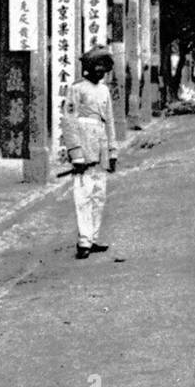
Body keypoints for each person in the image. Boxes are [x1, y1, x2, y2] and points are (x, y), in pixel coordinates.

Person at [62, 49, 117, 260]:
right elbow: (69, 122)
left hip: (101, 149)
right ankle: (83, 241)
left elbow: (109, 121)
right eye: (97, 67)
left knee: (98, 195)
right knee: (83, 196)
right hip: (83, 150)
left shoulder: (104, 91)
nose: (101, 71)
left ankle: (93, 237)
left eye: (104, 67)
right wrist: (76, 154)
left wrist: (112, 151)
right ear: (89, 68)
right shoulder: (76, 89)